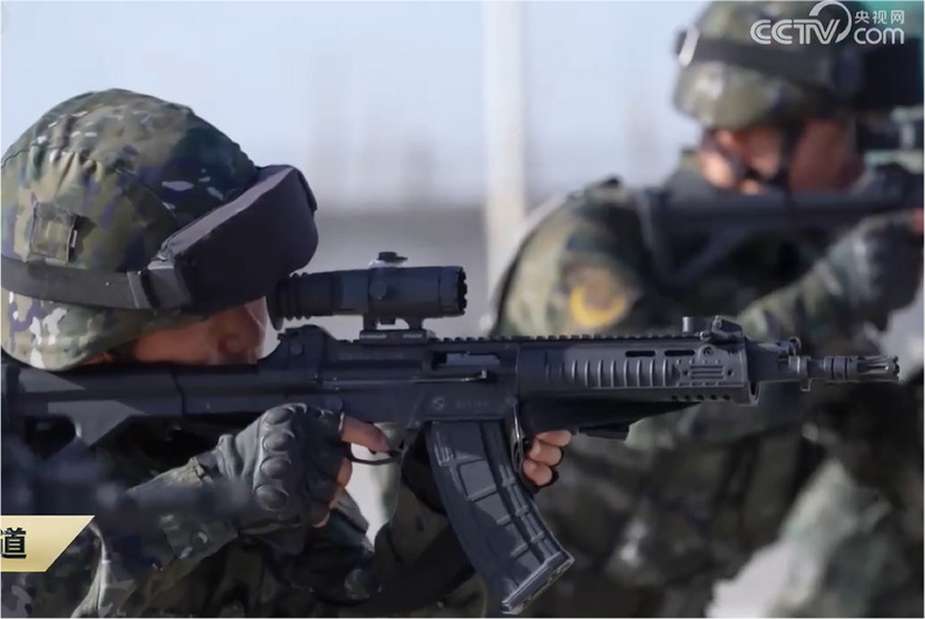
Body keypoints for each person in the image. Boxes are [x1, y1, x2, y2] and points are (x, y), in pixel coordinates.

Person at [0, 88, 571, 617]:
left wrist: (435, 513)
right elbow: (19, 566)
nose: (247, 329)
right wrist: (214, 494)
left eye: (252, 290)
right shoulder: (23, 456)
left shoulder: (254, 447)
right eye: (204, 310)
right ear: (92, 341)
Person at [491, 1, 922, 616]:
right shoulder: (590, 244)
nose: (861, 163)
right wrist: (833, 295)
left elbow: (903, 469)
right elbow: (645, 403)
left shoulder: (791, 281)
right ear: (752, 131)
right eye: (850, 132)